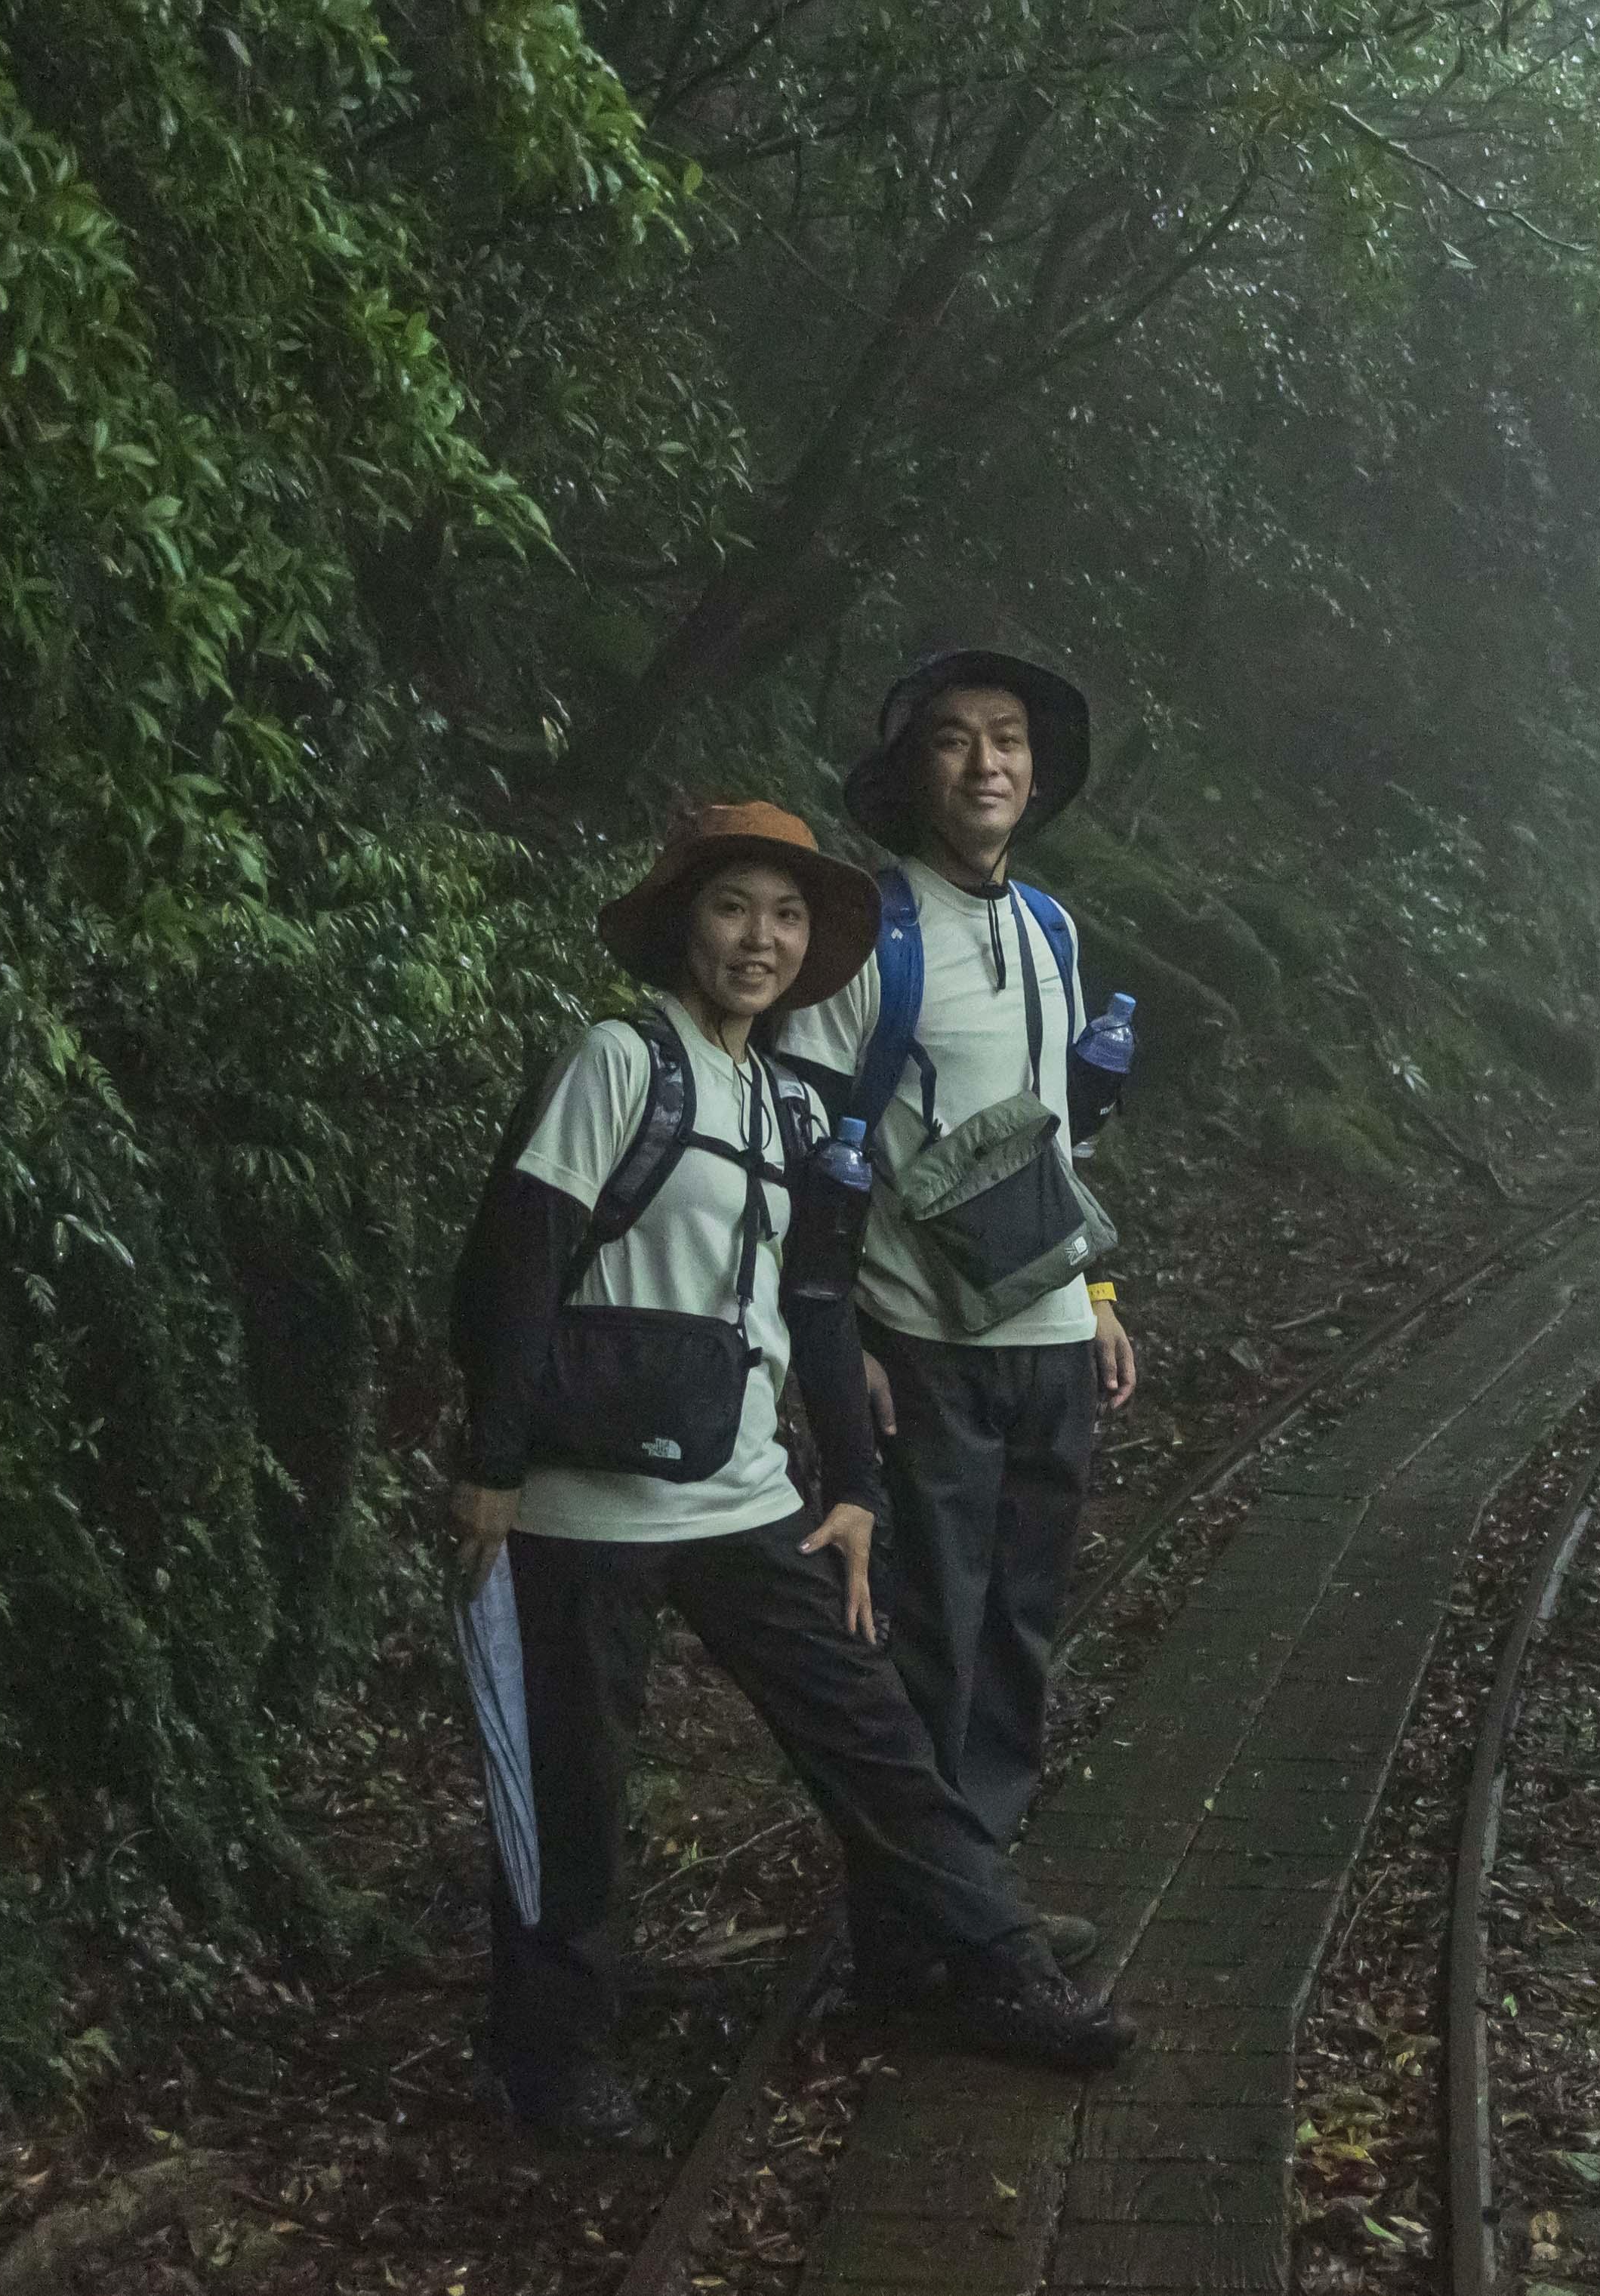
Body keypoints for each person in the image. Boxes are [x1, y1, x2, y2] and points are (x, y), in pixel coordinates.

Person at [452, 799, 1131, 2147]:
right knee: (575, 1777)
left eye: (786, 916)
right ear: (682, 924)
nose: (759, 939)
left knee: (870, 1735)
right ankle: (554, 2054)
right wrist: (491, 1463)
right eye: (731, 908)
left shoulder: (785, 1096)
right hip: (583, 1502)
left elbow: (817, 1303)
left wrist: (856, 1488)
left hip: (746, 1493)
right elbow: (518, 1262)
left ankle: (1000, 1961)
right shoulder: (614, 1059)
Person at [776, 652, 1137, 1983]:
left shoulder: (1050, 926)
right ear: (912, 774)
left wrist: (1096, 1291)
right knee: (924, 1638)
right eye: (953, 742)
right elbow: (813, 1150)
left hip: (1046, 1345)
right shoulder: (871, 933)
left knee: (1018, 1635)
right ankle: (916, 1932)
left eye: (1008, 741)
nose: (986, 763)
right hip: (921, 1348)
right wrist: (842, 1341)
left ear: (1036, 772)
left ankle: (975, 1903)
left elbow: (1057, 1138)